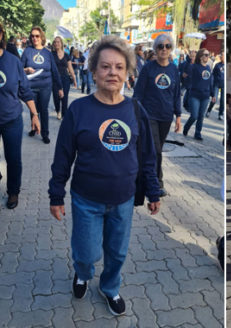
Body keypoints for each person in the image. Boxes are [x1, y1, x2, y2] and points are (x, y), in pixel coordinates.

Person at [48, 35, 161, 316]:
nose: (113, 72)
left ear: (127, 72)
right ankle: (82, 273)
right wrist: (56, 194)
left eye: (119, 67)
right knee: (86, 254)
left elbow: (148, 156)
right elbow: (63, 156)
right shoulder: (79, 110)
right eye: (105, 67)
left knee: (118, 254)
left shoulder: (135, 110)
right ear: (94, 71)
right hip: (86, 198)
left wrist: (154, 190)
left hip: (122, 200)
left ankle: (110, 287)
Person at [133, 34, 181, 197]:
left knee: (155, 149)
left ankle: (147, 177)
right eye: (160, 46)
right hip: (149, 114)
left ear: (171, 49)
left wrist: (178, 116)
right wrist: (135, 113)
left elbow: (176, 94)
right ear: (155, 48)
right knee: (156, 150)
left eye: (167, 46)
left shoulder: (174, 69)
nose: (164, 49)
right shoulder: (148, 68)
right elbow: (138, 93)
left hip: (166, 116)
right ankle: (157, 183)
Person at [0, 23, 41, 209]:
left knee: (13, 159)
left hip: (12, 119)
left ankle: (13, 192)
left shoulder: (13, 61)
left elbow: (24, 90)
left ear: (1, 35)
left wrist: (34, 114)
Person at [21, 26, 63, 144]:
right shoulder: (27, 51)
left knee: (43, 110)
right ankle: (34, 128)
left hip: (45, 86)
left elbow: (54, 71)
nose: (35, 38)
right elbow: (19, 67)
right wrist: (26, 70)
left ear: (41, 37)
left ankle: (45, 133)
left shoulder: (47, 53)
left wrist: (59, 87)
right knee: (33, 110)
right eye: (32, 36)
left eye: (37, 36)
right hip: (31, 86)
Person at [182, 48, 215, 140]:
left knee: (201, 116)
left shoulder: (208, 68)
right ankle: (186, 127)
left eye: (208, 55)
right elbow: (186, 71)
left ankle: (198, 133)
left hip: (205, 95)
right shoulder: (194, 66)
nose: (208, 57)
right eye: (206, 55)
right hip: (195, 95)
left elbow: (210, 82)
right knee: (194, 116)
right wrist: (190, 59)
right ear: (200, 57)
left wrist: (213, 95)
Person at [51, 36, 77, 121]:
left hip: (65, 79)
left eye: (58, 42)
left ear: (61, 43)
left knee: (64, 98)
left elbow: (70, 68)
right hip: (55, 80)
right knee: (56, 97)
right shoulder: (51, 55)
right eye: (55, 42)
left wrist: (74, 79)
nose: (56, 43)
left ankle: (64, 116)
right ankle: (58, 110)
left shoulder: (66, 55)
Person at [206, 53, 225, 120]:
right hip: (216, 84)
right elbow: (213, 75)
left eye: (223, 56)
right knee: (214, 99)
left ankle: (220, 114)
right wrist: (212, 83)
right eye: (222, 56)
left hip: (224, 85)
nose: (222, 57)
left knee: (223, 100)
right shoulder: (217, 65)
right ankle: (209, 110)